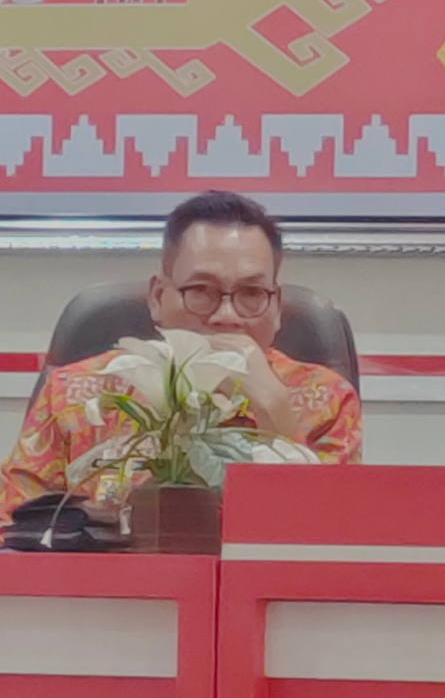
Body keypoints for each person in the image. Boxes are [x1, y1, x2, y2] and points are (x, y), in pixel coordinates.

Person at [0, 191, 361, 529]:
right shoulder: (73, 394)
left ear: (277, 307)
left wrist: (277, 419)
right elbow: (11, 529)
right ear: (158, 297)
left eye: (252, 293)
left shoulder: (326, 402)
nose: (227, 316)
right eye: (201, 290)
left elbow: (333, 543)